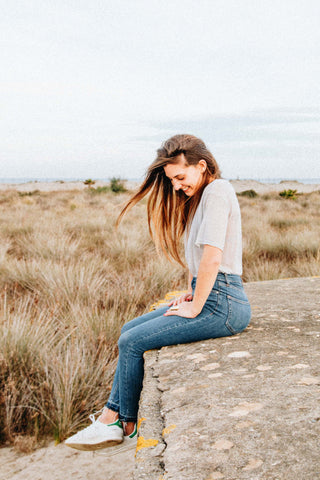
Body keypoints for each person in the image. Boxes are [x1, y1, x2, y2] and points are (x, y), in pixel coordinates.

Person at [65, 134, 251, 451]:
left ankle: (120, 422)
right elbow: (197, 261)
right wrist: (192, 293)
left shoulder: (218, 190)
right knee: (128, 330)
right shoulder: (199, 199)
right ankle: (113, 420)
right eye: (172, 180)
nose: (176, 186)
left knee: (132, 341)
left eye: (180, 177)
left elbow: (213, 256)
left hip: (224, 305)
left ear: (201, 165)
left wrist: (196, 307)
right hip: (212, 299)